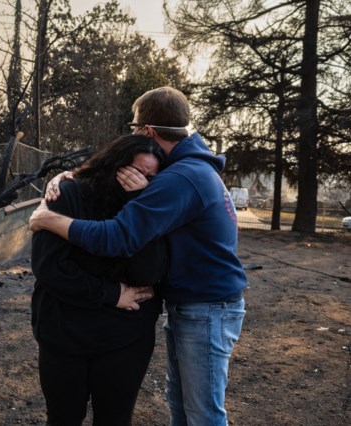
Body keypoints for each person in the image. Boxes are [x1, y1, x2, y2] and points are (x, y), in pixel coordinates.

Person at [30, 86, 247, 426]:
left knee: (202, 414)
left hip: (205, 307)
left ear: (147, 130)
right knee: (184, 406)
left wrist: (50, 219)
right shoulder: (187, 168)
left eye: (133, 127)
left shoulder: (180, 177)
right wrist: (69, 176)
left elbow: (119, 237)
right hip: (198, 304)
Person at [32, 134, 169, 426]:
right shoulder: (69, 194)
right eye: (134, 171)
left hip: (125, 337)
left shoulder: (150, 206)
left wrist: (139, 202)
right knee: (63, 418)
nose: (140, 180)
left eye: (149, 176)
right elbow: (49, 268)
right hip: (64, 331)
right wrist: (110, 294)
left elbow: (147, 274)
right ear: (114, 164)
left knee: (115, 419)